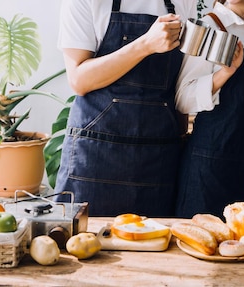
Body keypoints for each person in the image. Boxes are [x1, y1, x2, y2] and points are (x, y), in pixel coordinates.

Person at [54, 0, 196, 217]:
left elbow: (180, 89)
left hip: (158, 161)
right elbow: (78, 79)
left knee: (157, 247)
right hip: (95, 157)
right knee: (81, 246)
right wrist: (145, 45)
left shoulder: (184, 2)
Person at [175, 0, 244, 218]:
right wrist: (225, 73)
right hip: (207, 165)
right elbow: (183, 98)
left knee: (241, 244)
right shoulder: (208, 26)